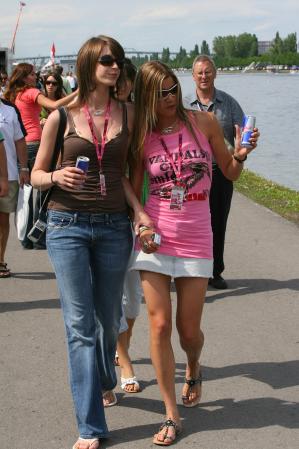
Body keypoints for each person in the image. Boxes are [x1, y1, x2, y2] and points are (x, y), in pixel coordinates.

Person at [31, 35, 152, 449]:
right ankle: (90, 426)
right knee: (79, 326)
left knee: (107, 318)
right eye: (105, 60)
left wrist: (139, 211)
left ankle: (103, 375)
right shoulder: (60, 118)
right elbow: (35, 174)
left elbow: (123, 172)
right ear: (87, 64)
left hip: (113, 226)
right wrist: (54, 177)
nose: (114, 66)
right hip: (66, 225)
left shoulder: (130, 114)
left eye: (118, 59)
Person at [130, 61, 259, 445]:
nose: (169, 99)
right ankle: (171, 413)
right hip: (155, 236)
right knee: (158, 325)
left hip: (196, 236)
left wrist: (241, 154)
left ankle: (194, 362)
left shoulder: (203, 123)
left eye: (173, 89)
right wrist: (140, 223)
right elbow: (136, 191)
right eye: (160, 93)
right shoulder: (142, 134)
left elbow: (229, 172)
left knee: (188, 331)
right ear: (147, 97)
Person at [4, 63, 77, 249]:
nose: (36, 77)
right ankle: (39, 237)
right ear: (24, 77)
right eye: (32, 74)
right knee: (43, 192)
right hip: (35, 144)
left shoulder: (13, 95)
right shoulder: (30, 92)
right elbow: (54, 105)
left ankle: (26, 238)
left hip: (20, 146)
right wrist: (79, 92)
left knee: (26, 195)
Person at [190, 55, 245, 289]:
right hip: (191, 175)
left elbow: (245, 130)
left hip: (221, 170)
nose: (204, 76)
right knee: (193, 222)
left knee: (218, 221)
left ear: (215, 73)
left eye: (208, 72)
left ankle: (215, 271)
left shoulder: (229, 103)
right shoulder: (183, 104)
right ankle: (192, 269)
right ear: (193, 76)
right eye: (200, 72)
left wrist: (245, 146)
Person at [114, 58, 142, 393]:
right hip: (110, 214)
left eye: (126, 81)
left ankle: (121, 345)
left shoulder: (139, 116)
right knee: (117, 297)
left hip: (143, 214)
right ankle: (123, 357)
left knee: (134, 301)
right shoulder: (100, 115)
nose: (121, 86)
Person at [0, 98, 29, 277]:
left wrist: (24, 167)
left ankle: (0, 260)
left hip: (7, 174)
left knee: (2, 220)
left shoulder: (9, 110)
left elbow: (19, 140)